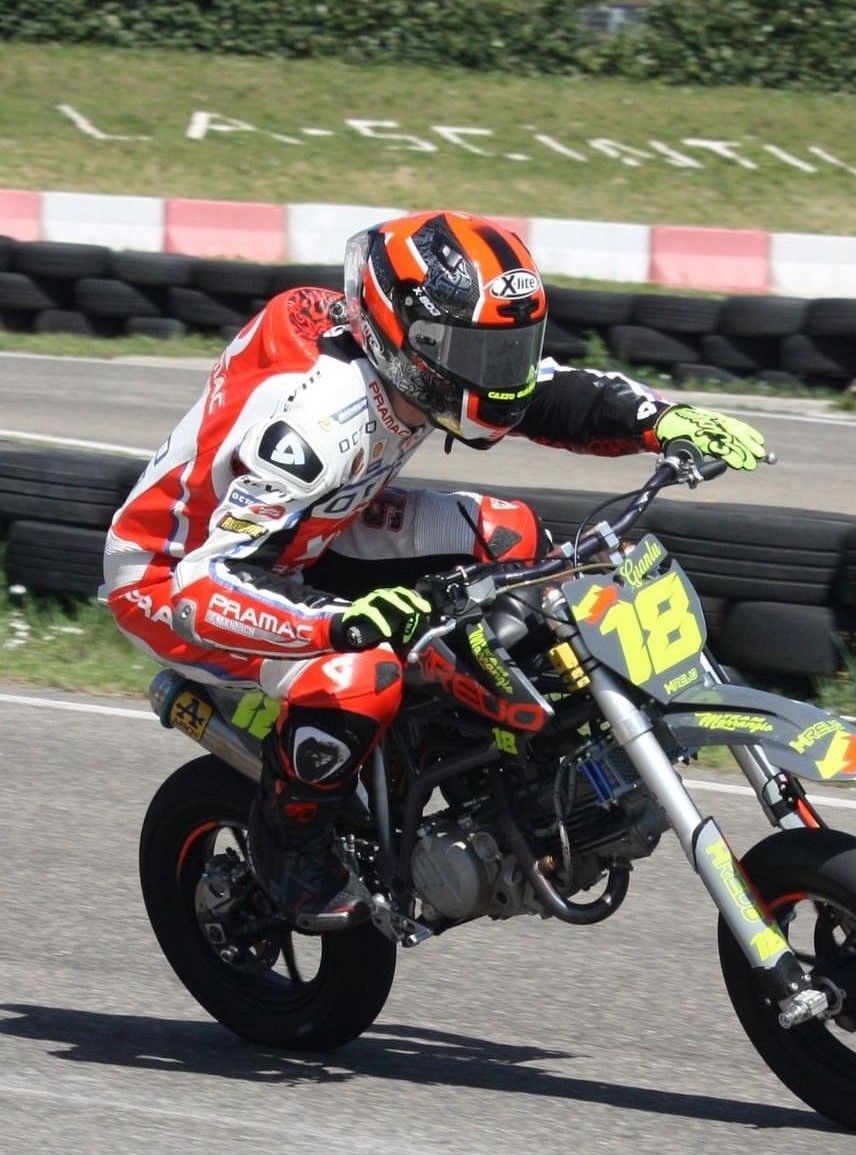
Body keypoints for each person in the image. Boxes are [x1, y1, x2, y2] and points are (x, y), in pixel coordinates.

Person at [104, 210, 767, 932]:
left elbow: (548, 392)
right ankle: (290, 842)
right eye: (481, 353)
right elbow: (209, 576)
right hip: (176, 578)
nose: (502, 376)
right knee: (359, 672)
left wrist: (661, 421)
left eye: (508, 348)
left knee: (513, 535)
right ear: (407, 341)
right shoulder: (316, 425)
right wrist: (340, 622)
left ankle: (470, 751)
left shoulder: (424, 366)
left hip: (321, 524)